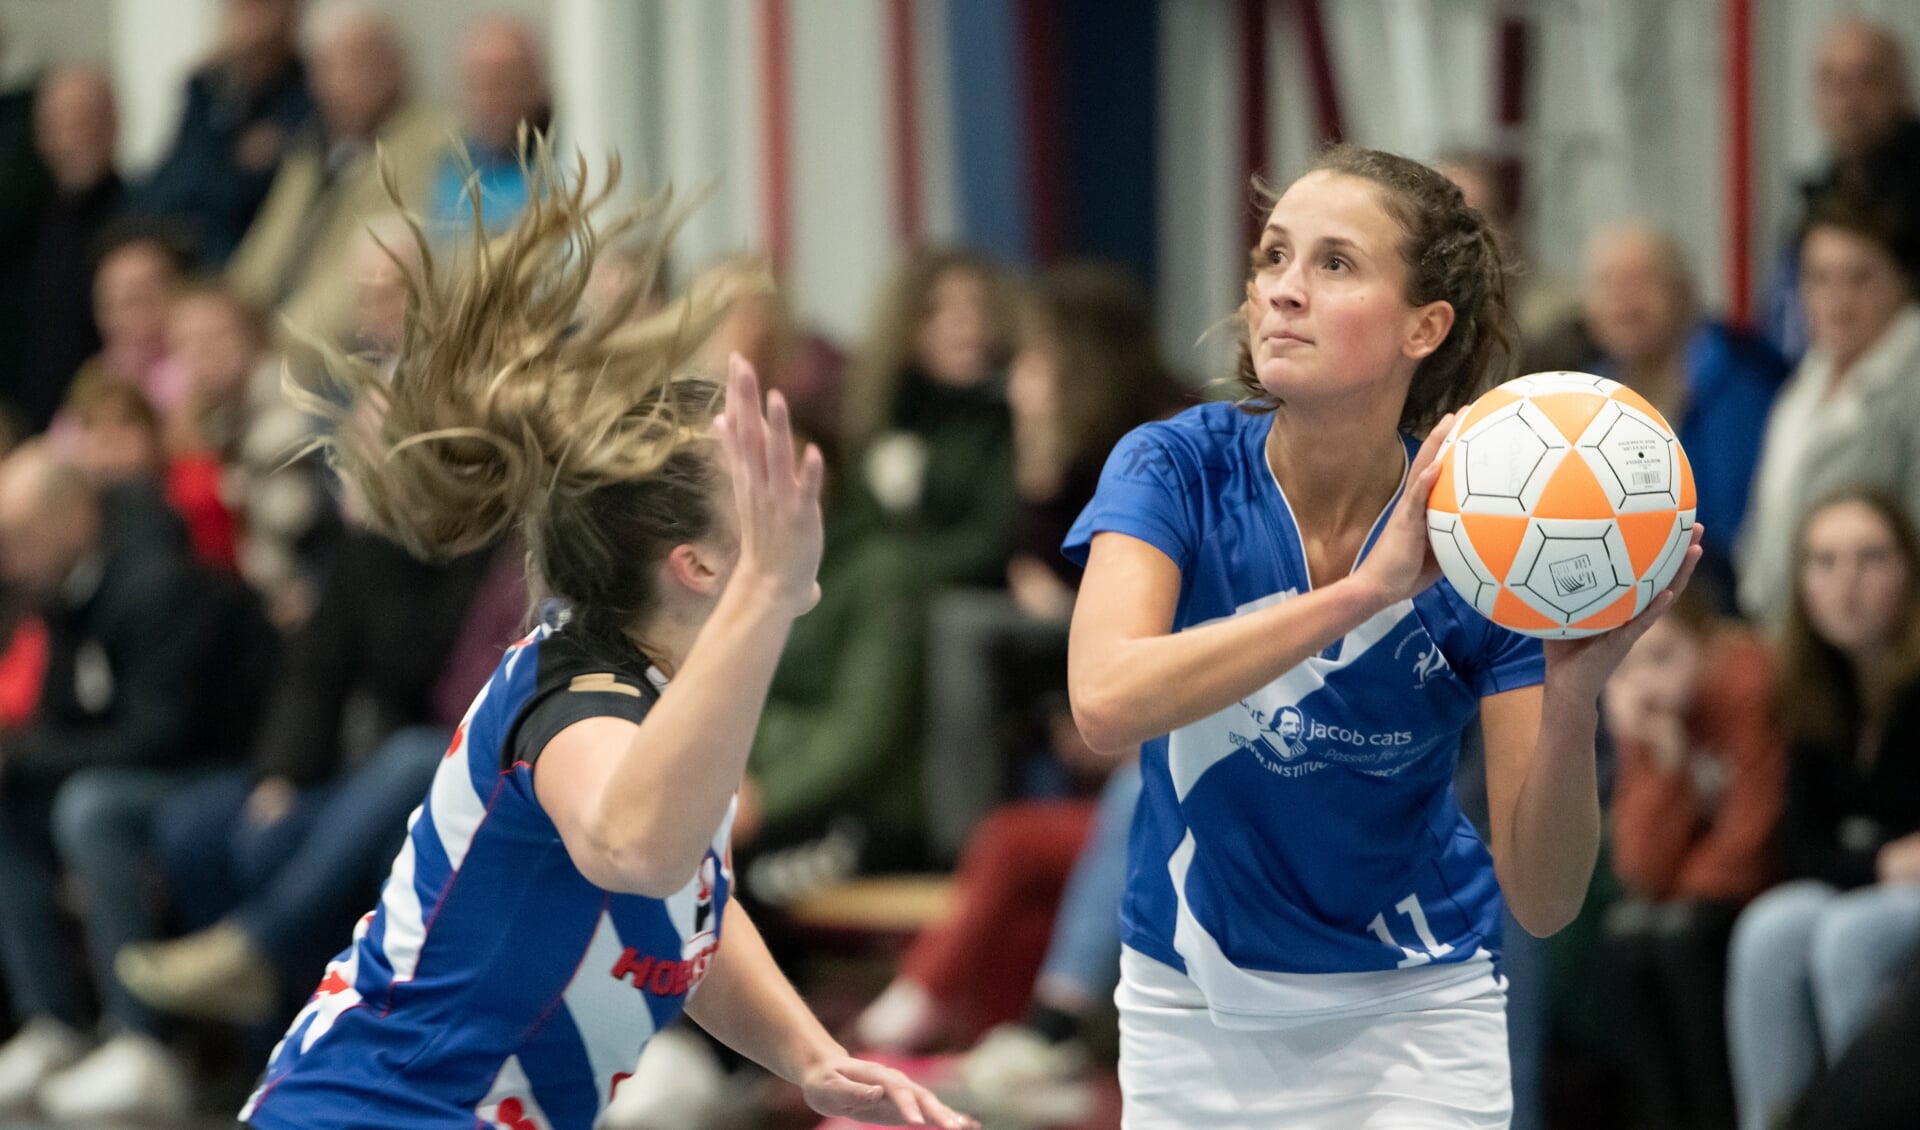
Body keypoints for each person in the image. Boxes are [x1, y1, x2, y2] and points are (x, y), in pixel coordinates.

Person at [233, 153, 972, 1130]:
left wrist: (815, 1058)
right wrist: (770, 588)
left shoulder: (658, 696)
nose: (797, 488)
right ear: (696, 564)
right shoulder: (575, 697)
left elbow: (690, 905)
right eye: (754, 475)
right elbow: (636, 845)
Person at [1061, 145, 1703, 1127]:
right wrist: (1361, 595)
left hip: (1416, 1008)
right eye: (1273, 256)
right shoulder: (1174, 465)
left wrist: (1577, 695)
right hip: (1190, 999)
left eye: (1334, 264)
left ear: (1425, 325)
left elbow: (1544, 896)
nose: (1281, 290)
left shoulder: (1493, 538)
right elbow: (1105, 699)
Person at [0, 443, 274, 1120]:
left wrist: (24, 757)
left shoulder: (156, 581)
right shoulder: (63, 590)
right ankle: (54, 1023)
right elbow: (68, 718)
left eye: (17, 538)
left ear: (71, 518)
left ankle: (141, 1038)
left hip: (224, 769)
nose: (6, 559)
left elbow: (162, 734)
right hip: (148, 766)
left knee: (91, 807)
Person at [1726, 490, 1920, 1130]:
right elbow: (1804, 850)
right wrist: (1881, 862)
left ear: (1909, 571)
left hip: (1888, 902)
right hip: (1874, 885)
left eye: (1870, 559)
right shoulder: (1813, 689)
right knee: (1771, 926)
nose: (1847, 584)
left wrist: (1869, 862)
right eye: (1825, 561)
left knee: (1851, 935)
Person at [1602, 586, 1784, 1129]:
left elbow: (1752, 842)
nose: (1646, 681)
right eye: (1628, 664)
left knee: (1679, 933)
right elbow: (1637, 868)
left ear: (1707, 646)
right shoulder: (1654, 711)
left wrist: (1676, 891)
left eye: (1662, 657)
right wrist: (1664, 760)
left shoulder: (1750, 687)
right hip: (1698, 893)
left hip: (1770, 880)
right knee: (1632, 932)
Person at [1737, 192, 1920, 630]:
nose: (1837, 299)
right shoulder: (1804, 383)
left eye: (1859, 278)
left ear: (1902, 280)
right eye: (1819, 278)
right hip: (1788, 642)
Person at [225, 4, 448, 353]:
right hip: (264, 347)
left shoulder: (430, 144)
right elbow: (262, 256)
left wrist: (271, 346)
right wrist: (225, 321)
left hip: (344, 355)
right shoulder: (310, 149)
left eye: (356, 64)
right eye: (325, 67)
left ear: (396, 67)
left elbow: (368, 278)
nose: (337, 83)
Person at [1582, 222, 1787, 588]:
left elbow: (1730, 529)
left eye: (1641, 280)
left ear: (1684, 292)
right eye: (1606, 283)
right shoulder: (1585, 394)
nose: (1622, 299)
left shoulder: (1740, 382)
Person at [1760, 19, 1919, 362]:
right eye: (1832, 81)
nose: (1849, 98)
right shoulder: (1817, 197)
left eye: (1866, 79)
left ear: (1901, 88)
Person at [129, 0, 313, 267]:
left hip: (246, 262)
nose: (246, 19)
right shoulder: (206, 88)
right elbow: (166, 187)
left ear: (292, 13)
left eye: (258, 7)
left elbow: (243, 196)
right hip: (180, 252)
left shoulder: (309, 94)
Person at [10, 66, 123, 433]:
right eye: (58, 119)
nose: (71, 131)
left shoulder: (138, 214)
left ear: (113, 122)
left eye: (84, 116)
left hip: (102, 419)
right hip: (27, 413)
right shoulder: (27, 220)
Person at [427, 15, 549, 235]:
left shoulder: (563, 162)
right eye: (480, 83)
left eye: (507, 81)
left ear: (536, 83)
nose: (492, 97)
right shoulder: (447, 165)